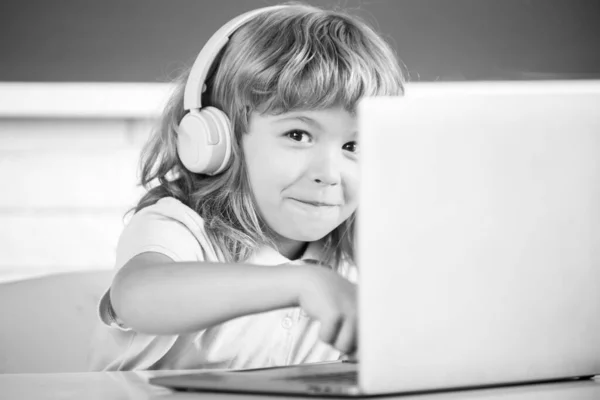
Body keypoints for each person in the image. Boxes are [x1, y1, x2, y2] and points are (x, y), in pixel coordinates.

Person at [89, 1, 405, 371]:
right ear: (219, 141)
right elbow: (135, 297)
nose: (329, 173)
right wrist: (300, 282)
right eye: (298, 134)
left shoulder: (352, 255)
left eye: (353, 145)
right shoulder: (179, 227)